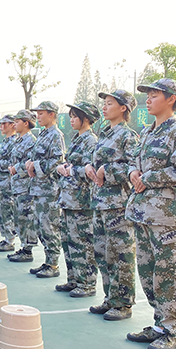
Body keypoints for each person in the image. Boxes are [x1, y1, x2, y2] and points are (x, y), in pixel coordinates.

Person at [125, 79, 176, 349]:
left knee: (170, 275)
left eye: (155, 95)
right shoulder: (148, 132)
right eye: (147, 95)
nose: (148, 100)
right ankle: (159, 325)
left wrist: (150, 177)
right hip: (145, 213)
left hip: (170, 217)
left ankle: (171, 331)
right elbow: (135, 162)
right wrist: (133, 172)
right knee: (149, 274)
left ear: (171, 99)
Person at [85, 89, 139, 320]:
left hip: (118, 205)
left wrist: (107, 170)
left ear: (123, 108)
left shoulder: (128, 136)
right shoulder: (105, 134)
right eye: (104, 103)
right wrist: (89, 167)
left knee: (120, 255)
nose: (104, 107)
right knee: (102, 253)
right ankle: (110, 297)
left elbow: (134, 167)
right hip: (100, 202)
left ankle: (123, 303)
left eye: (109, 103)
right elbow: (97, 162)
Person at [56, 101, 100, 296]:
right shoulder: (77, 139)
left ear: (86, 119)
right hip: (69, 199)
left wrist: (71, 170)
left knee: (82, 242)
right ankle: (74, 279)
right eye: (71, 116)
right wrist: (63, 168)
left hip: (82, 201)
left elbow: (92, 171)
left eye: (75, 116)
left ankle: (87, 283)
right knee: (68, 241)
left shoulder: (91, 141)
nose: (71, 120)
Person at [25, 101, 66, 278]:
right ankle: (48, 261)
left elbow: (57, 162)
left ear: (52, 114)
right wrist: (30, 163)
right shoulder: (43, 134)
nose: (38, 116)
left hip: (49, 190)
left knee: (49, 227)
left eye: (41, 113)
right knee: (40, 227)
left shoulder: (55, 135)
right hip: (38, 188)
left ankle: (53, 264)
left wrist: (36, 165)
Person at [8, 110, 38, 262]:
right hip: (17, 185)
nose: (14, 124)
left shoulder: (31, 141)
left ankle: (28, 250)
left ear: (26, 123)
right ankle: (23, 247)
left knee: (27, 218)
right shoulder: (19, 140)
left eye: (17, 121)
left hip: (26, 186)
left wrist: (16, 168)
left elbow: (30, 162)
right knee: (19, 217)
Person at [0, 115, 18, 252]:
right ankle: (6, 238)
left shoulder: (14, 142)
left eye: (4, 124)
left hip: (7, 183)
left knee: (7, 212)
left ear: (12, 125)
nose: (1, 127)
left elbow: (13, 162)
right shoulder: (5, 141)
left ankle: (10, 239)